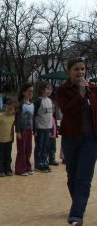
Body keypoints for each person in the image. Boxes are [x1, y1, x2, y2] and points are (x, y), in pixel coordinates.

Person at [57, 57, 97, 226]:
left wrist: (87, 92)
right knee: (72, 177)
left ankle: (76, 216)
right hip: (71, 139)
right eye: (76, 69)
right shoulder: (62, 90)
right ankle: (78, 205)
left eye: (82, 69)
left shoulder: (94, 89)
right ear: (69, 72)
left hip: (91, 140)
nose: (80, 72)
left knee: (84, 178)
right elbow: (66, 111)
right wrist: (80, 94)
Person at [33, 81, 54, 173]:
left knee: (46, 146)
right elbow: (33, 115)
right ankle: (38, 164)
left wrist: (52, 128)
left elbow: (51, 116)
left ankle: (44, 162)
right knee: (39, 146)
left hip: (48, 127)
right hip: (40, 127)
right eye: (47, 89)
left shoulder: (50, 100)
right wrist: (35, 129)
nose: (49, 91)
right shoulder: (38, 101)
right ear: (41, 90)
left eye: (50, 89)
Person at [0, 98, 17, 177]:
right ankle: (0, 170)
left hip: (8, 140)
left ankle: (8, 169)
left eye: (11, 109)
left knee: (8, 156)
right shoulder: (0, 116)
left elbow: (13, 128)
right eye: (7, 108)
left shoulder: (13, 117)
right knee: (0, 156)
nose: (8, 110)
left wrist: (13, 137)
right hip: (0, 140)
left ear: (14, 110)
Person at [14, 83, 34, 176]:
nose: (31, 93)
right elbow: (17, 118)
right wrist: (17, 131)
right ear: (23, 92)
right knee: (21, 149)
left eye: (32, 91)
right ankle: (20, 169)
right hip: (22, 130)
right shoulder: (21, 104)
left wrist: (35, 130)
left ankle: (27, 167)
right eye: (29, 91)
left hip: (29, 130)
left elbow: (33, 118)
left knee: (28, 149)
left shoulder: (32, 104)